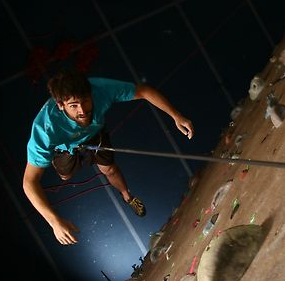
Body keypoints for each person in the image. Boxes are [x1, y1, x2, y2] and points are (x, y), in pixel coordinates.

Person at [22, 68, 194, 246]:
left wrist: (176, 115)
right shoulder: (44, 129)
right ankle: (69, 161)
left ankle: (128, 197)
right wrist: (53, 221)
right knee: (66, 174)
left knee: (110, 169)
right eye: (73, 105)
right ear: (60, 105)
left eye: (85, 101)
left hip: (94, 134)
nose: (82, 110)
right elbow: (29, 182)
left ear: (91, 94)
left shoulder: (100, 89)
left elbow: (143, 90)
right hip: (64, 147)